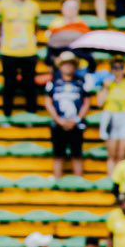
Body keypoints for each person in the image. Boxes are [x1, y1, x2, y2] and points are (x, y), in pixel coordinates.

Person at [45, 52, 89, 180]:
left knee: (77, 154)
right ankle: (57, 181)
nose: (68, 67)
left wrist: (77, 119)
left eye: (70, 64)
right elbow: (48, 102)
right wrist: (58, 119)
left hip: (76, 124)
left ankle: (79, 182)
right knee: (58, 155)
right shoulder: (54, 83)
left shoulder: (81, 83)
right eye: (65, 64)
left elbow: (87, 102)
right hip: (59, 124)